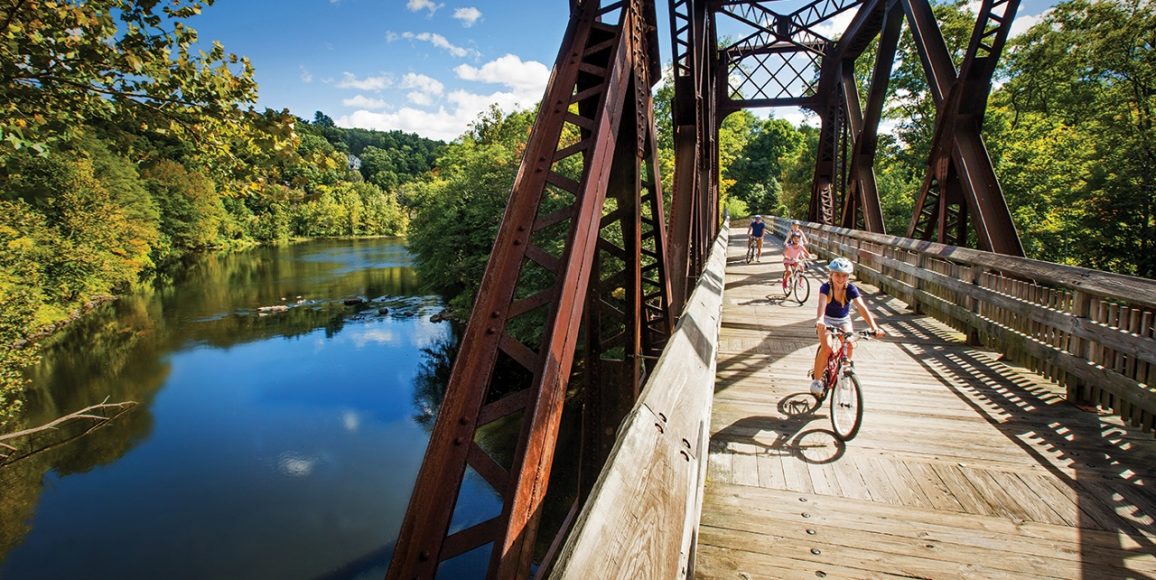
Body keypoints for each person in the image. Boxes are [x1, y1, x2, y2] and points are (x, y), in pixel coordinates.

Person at [810, 257, 885, 397]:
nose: (840, 278)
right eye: (837, 274)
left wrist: (874, 327)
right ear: (831, 274)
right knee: (827, 347)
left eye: (844, 275)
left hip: (843, 320)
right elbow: (821, 305)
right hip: (826, 320)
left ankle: (844, 373)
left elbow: (861, 307)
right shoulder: (825, 288)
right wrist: (820, 320)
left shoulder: (850, 289)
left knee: (849, 343)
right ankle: (817, 380)